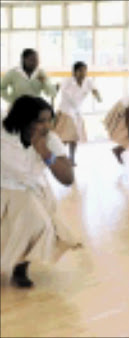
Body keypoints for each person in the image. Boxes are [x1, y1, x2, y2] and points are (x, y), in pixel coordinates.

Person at [1, 95, 81, 288]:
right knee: (16, 229)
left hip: (34, 189)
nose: (46, 125)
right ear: (24, 119)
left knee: (37, 226)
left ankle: (20, 268)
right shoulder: (3, 133)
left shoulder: (50, 140)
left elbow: (68, 178)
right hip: (5, 188)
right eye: (40, 121)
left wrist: (44, 152)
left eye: (49, 120)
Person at [53, 61, 102, 166]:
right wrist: (53, 93)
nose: (83, 73)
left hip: (77, 112)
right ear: (74, 72)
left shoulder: (88, 81)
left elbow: (94, 90)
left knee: (74, 138)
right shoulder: (67, 80)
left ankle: (71, 158)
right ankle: (57, 156)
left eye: (85, 70)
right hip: (65, 111)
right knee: (64, 139)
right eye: (80, 70)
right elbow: (59, 87)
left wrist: (97, 96)